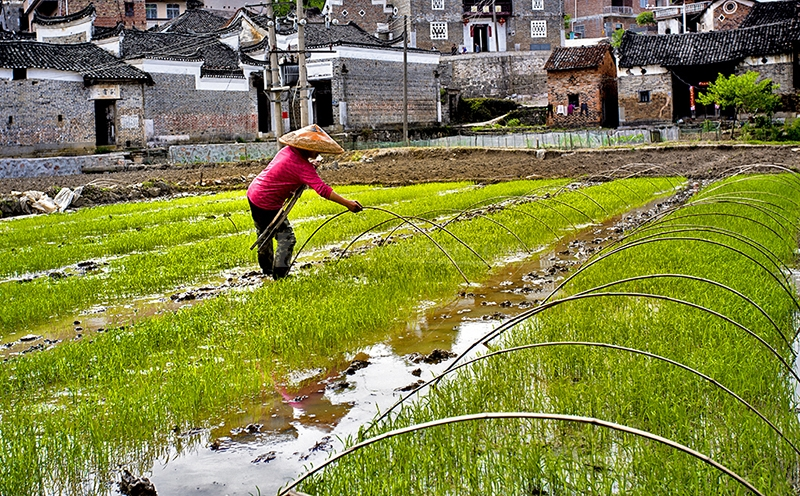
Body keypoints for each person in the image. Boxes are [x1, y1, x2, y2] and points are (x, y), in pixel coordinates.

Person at [247, 124, 363, 279]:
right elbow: (323, 190)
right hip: (267, 201)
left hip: (254, 192)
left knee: (264, 233)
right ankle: (279, 276)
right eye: (316, 150)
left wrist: (310, 165)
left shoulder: (287, 151)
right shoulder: (302, 167)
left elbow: (291, 171)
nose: (318, 153)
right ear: (308, 148)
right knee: (287, 238)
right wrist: (348, 203)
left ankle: (267, 270)